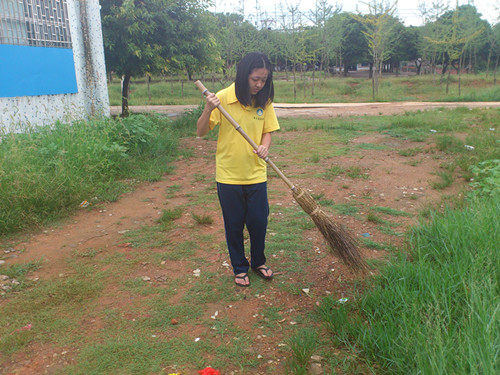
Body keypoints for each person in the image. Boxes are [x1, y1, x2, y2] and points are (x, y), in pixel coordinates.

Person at [196, 52, 280, 287]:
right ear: (244, 76)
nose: (259, 84)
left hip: (255, 173)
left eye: (264, 79)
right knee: (233, 224)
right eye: (255, 79)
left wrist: (264, 147)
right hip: (229, 176)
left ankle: (258, 261)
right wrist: (207, 109)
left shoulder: (264, 101)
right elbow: (200, 131)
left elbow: (268, 131)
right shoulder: (222, 99)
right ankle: (239, 267)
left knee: (259, 221)